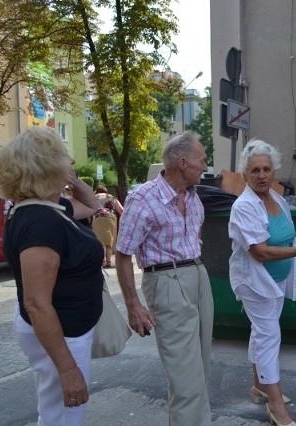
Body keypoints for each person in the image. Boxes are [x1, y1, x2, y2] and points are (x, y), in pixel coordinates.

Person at [0, 126, 101, 425]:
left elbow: (93, 205)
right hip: (61, 334)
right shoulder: (40, 221)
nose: (70, 163)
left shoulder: (49, 209)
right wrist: (68, 370)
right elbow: (37, 303)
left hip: (66, 330)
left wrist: (72, 180)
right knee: (64, 416)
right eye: (64, 159)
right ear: (47, 166)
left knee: (56, 411)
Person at [228, 139, 296, 426]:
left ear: (274, 172)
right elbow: (259, 252)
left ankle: (259, 385)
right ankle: (276, 405)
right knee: (269, 336)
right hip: (255, 283)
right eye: (255, 171)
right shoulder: (244, 207)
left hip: (277, 280)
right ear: (245, 175)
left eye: (267, 169)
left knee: (262, 332)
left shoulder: (279, 200)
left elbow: (285, 236)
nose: (262, 175)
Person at [115, 131, 213, 426]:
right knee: (185, 379)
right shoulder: (143, 198)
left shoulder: (195, 198)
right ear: (183, 162)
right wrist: (134, 305)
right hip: (167, 282)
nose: (206, 167)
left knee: (199, 371)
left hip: (198, 276)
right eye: (202, 160)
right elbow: (122, 254)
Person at [92, 185, 123, 267]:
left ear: (97, 191)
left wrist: (89, 219)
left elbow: (89, 209)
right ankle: (108, 261)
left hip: (98, 218)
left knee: (100, 240)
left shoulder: (94, 197)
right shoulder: (112, 197)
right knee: (109, 240)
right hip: (111, 219)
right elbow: (121, 210)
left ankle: (102, 261)